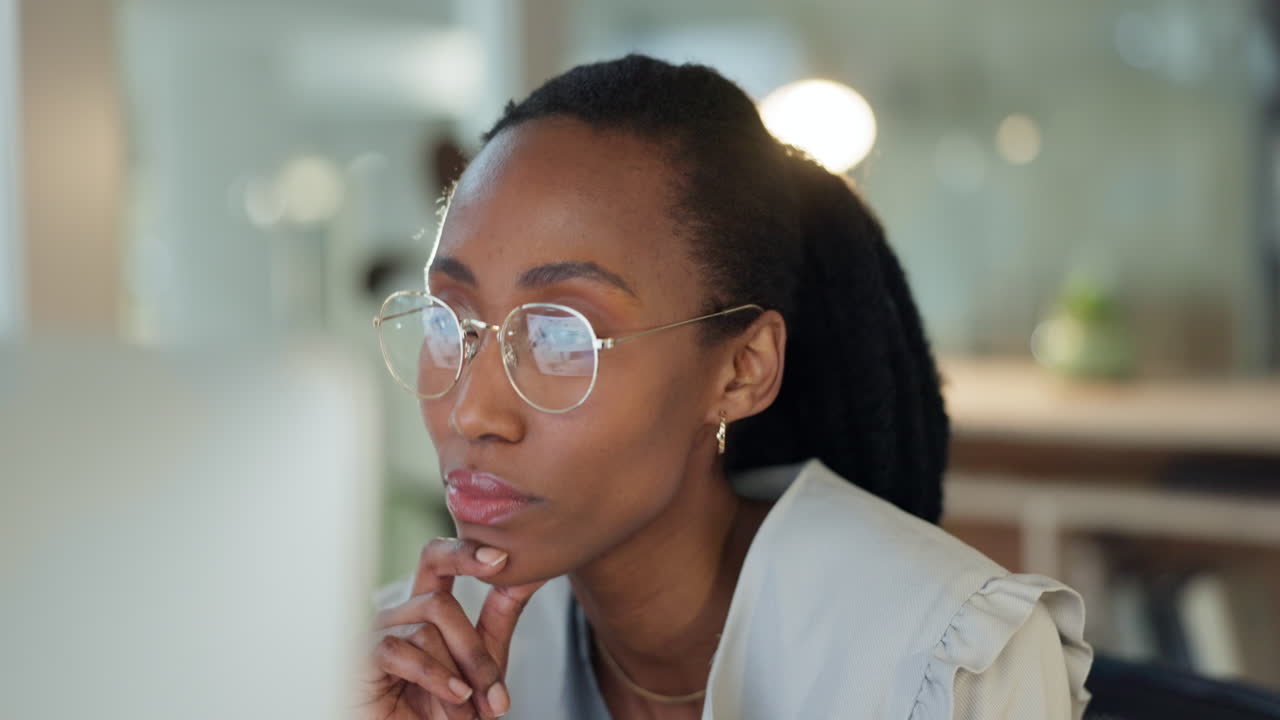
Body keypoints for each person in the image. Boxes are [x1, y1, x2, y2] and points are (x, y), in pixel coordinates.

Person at [362, 55, 1093, 720]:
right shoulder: (399, 668)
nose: (473, 410)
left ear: (741, 371)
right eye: (449, 321)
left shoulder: (950, 664)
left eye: (559, 336)